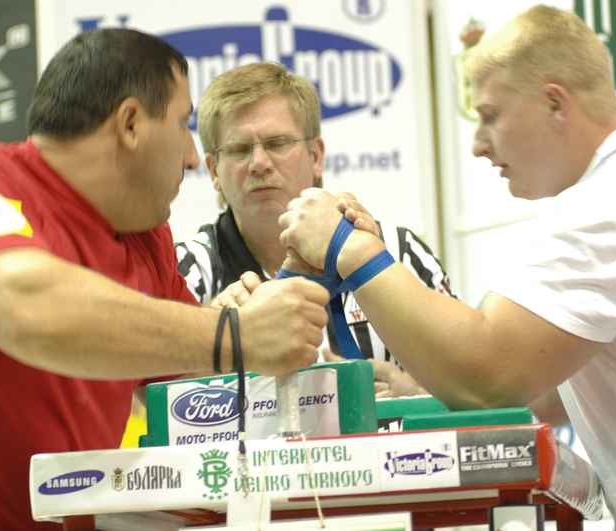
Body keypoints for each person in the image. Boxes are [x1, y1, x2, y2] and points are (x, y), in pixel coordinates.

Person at [278, 4, 616, 514]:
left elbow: (487, 374)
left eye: (490, 115)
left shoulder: (611, 207)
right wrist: (424, 386)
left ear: (554, 103)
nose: (475, 144)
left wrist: (350, 249)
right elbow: (547, 392)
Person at [0, 29, 328, 530]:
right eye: (183, 125)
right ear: (132, 123)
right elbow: (28, 308)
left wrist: (293, 282)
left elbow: (190, 378)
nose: (189, 156)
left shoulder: (144, 235)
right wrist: (234, 334)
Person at [176, 62, 455, 396]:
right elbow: (147, 399)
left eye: (277, 143)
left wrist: (415, 395)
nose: (260, 163)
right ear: (213, 171)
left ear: (316, 156)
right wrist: (217, 336)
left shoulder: (400, 251)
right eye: (238, 149)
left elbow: (475, 379)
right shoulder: (186, 270)